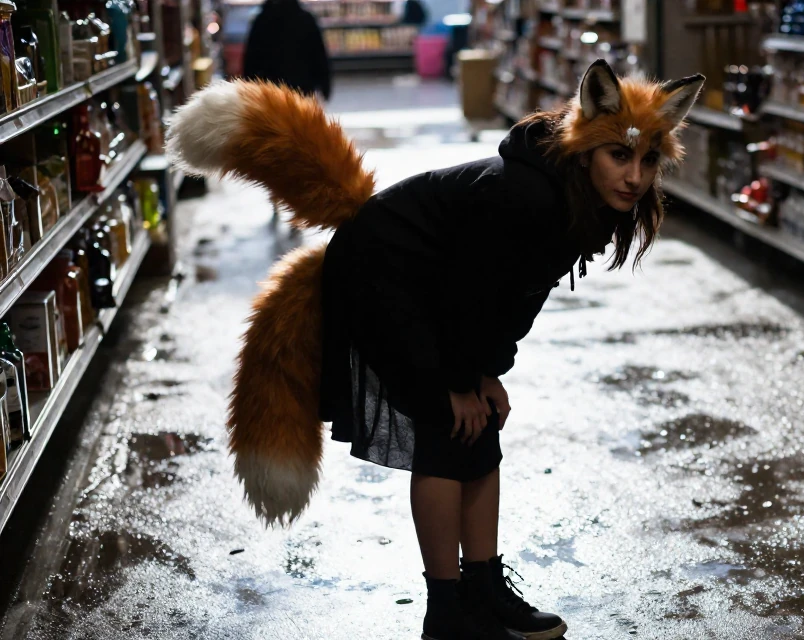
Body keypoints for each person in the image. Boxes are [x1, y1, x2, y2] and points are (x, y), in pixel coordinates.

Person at [166, 59, 703, 640]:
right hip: (385, 280)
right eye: (619, 156)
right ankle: (446, 610)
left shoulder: (576, 196)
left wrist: (487, 373)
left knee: (481, 433)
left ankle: (483, 588)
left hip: (434, 292)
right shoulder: (526, 196)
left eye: (649, 160)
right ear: (586, 145)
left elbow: (511, 298)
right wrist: (454, 381)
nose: (635, 176)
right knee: (446, 436)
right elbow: (465, 296)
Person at [241, 0, 332, 100]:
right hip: (302, 89)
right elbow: (319, 55)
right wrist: (325, 87)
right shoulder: (305, 19)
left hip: (270, 90)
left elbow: (251, 59)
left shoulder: (262, 21)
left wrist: (249, 87)